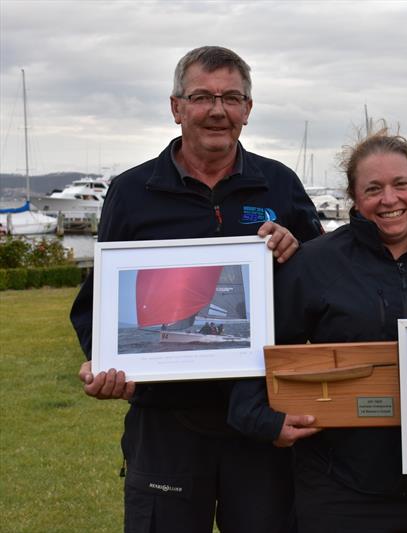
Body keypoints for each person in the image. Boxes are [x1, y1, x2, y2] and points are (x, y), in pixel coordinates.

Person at [70, 46, 322, 533]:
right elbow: (96, 303)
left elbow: (324, 289)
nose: (217, 110)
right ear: (177, 107)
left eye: (231, 97)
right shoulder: (131, 190)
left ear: (247, 109)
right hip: (167, 421)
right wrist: (106, 361)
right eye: (202, 96)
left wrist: (300, 250)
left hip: (261, 416)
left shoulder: (280, 185)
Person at [228, 128, 407, 532]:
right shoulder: (314, 264)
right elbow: (261, 346)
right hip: (341, 487)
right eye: (373, 189)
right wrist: (262, 420)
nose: (389, 200)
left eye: (401, 184)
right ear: (355, 197)